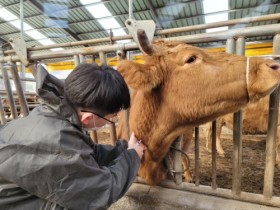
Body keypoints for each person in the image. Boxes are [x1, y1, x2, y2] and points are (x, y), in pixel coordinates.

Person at [0, 63, 146, 210]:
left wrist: (125, 149)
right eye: (111, 118)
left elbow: (88, 154)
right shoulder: (56, 141)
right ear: (88, 118)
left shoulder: (54, 115)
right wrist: (132, 158)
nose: (113, 121)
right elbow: (98, 193)